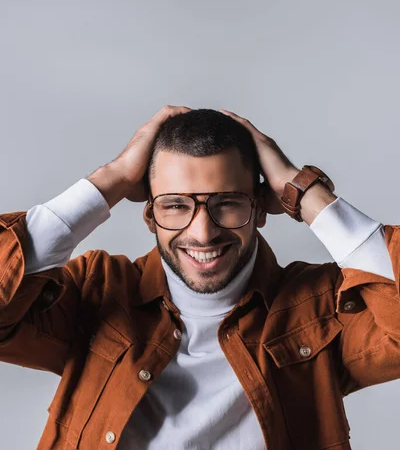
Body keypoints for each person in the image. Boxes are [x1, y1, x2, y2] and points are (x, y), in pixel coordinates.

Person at [0, 106, 399, 450]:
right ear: (150, 215)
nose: (202, 232)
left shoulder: (320, 305)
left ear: (260, 210)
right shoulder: (97, 289)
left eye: (227, 203)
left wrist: (300, 188)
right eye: (175, 205)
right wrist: (113, 179)